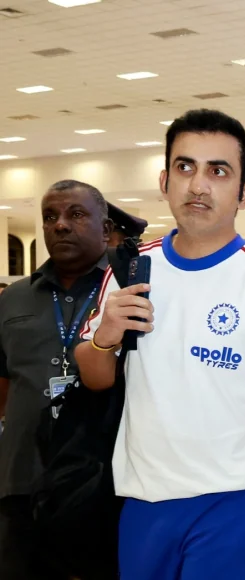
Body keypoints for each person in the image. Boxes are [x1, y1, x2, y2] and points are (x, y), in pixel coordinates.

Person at [75, 109, 245, 580]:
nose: (198, 185)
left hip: (231, 503)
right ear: (164, 180)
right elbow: (93, 376)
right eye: (185, 167)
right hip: (142, 499)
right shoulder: (131, 271)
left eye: (218, 171)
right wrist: (105, 337)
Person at [0, 180, 114, 579]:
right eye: (50, 217)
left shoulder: (125, 293)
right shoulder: (14, 298)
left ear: (106, 229)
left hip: (103, 484)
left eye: (76, 214)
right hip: (22, 481)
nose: (60, 225)